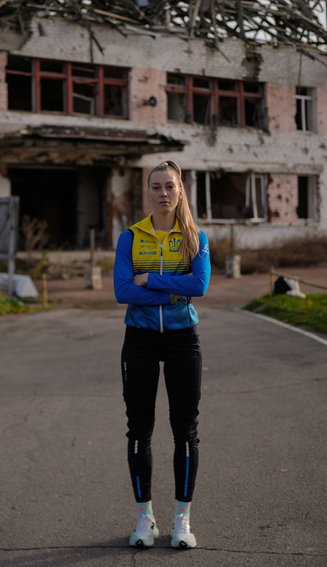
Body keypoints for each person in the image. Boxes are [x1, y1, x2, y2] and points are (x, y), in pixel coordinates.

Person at [113, 159, 210, 549]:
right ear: (148, 192)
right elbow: (122, 291)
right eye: (156, 187)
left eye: (170, 186)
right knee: (139, 430)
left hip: (183, 338)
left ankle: (182, 520)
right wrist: (175, 287)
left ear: (180, 190)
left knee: (185, 430)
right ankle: (145, 519)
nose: (163, 193)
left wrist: (151, 280)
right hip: (139, 339)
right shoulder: (129, 238)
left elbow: (199, 285)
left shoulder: (195, 237)